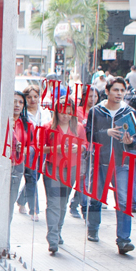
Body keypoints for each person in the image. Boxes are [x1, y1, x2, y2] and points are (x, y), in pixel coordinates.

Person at [85, 78, 136, 254]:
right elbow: (89, 134)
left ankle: (123, 240)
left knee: (123, 201)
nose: (119, 94)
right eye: (115, 90)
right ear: (107, 91)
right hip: (101, 161)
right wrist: (105, 133)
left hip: (121, 163)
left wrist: (130, 141)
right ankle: (93, 229)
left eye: (122, 90)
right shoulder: (96, 111)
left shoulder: (129, 111)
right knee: (96, 197)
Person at [42, 99, 86, 254]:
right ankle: (52, 238)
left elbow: (85, 146)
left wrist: (78, 148)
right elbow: (41, 148)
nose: (65, 115)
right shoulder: (48, 127)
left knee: (63, 202)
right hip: (53, 169)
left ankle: (58, 231)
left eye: (69, 111)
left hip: (71, 170)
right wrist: (57, 149)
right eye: (62, 111)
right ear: (56, 112)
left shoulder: (79, 128)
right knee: (53, 203)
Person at [16, 84, 51, 221]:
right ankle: (34, 210)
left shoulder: (45, 113)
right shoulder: (22, 114)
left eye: (35, 96)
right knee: (31, 176)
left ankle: (21, 200)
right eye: (29, 97)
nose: (32, 100)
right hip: (29, 149)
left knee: (35, 177)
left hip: (42, 148)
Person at [5, 91, 30, 257]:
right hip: (2, 166)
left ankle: (4, 241)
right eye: (14, 101)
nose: (17, 105)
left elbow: (31, 145)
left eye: (20, 102)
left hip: (17, 166)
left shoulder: (25, 124)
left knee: (9, 205)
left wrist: (24, 149)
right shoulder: (3, 121)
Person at [69, 85, 100, 218]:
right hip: (80, 149)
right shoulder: (78, 111)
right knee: (81, 178)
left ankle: (76, 204)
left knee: (85, 179)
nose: (93, 99)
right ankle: (82, 206)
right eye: (90, 96)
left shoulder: (99, 112)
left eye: (95, 96)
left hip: (94, 150)